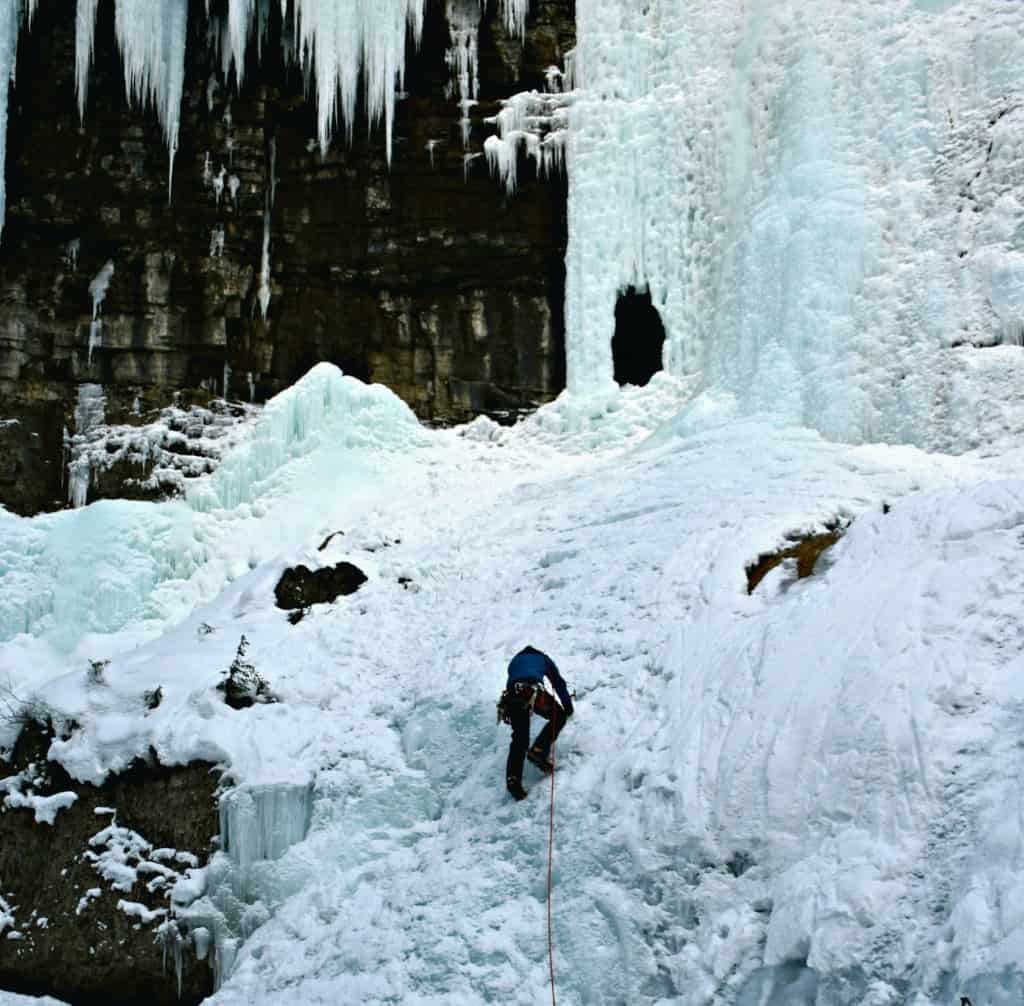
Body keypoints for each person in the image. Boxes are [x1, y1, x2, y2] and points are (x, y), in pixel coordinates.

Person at [499, 645, 573, 800]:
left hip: (512, 696)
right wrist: (568, 707)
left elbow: (512, 680)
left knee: (520, 738)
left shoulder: (514, 661)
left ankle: (513, 781)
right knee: (558, 716)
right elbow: (558, 683)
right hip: (531, 691)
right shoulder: (543, 659)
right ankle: (539, 750)